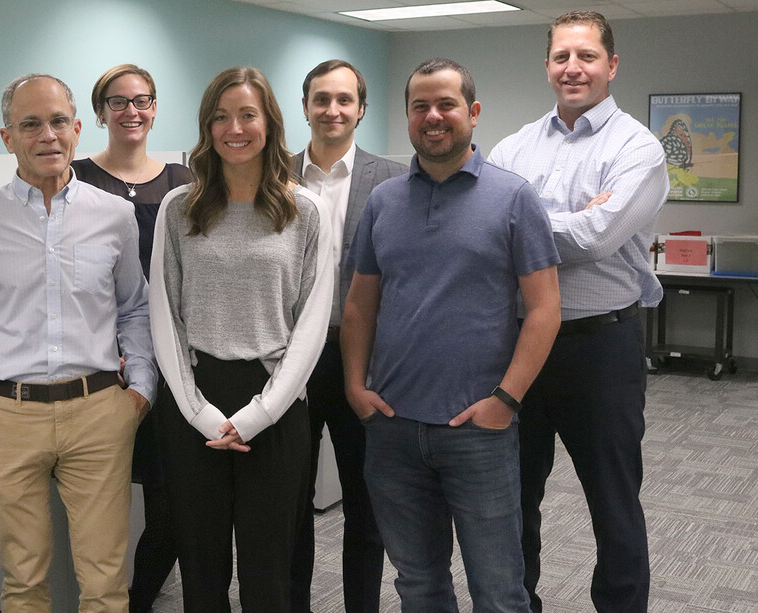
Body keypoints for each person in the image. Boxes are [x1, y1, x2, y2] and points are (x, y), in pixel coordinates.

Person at [341, 58, 561, 612]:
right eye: (420, 107)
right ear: (408, 116)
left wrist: (505, 400)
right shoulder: (384, 201)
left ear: (473, 113)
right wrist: (353, 386)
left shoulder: (513, 198)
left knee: (498, 589)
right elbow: (360, 302)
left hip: (478, 431)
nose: (433, 116)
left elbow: (544, 309)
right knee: (417, 583)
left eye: (446, 105)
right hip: (392, 428)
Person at [0, 73, 156, 612]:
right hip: (7, 417)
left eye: (58, 121)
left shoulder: (115, 216)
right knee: (23, 581)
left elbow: (135, 308)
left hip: (100, 413)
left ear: (77, 129)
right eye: (30, 124)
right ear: (8, 137)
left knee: (105, 582)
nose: (47, 135)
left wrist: (141, 391)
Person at [487, 11, 670, 613]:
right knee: (514, 498)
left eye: (587, 56)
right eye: (562, 56)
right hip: (520, 345)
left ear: (611, 66)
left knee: (613, 501)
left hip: (601, 348)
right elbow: (488, 229)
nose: (573, 68)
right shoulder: (514, 145)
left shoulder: (638, 148)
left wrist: (526, 221)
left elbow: (596, 239)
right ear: (547, 66)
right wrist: (568, 218)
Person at [149, 66, 333, 612]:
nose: (235, 128)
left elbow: (312, 323)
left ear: (269, 123)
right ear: (206, 128)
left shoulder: (305, 211)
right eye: (221, 116)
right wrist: (200, 412)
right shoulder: (178, 207)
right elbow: (165, 315)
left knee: (269, 568)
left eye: (247, 114)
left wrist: (258, 414)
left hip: (274, 400)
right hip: (195, 400)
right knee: (201, 569)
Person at [71, 63, 192, 613]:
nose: (131, 111)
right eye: (117, 102)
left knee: (170, 502)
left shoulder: (184, 183)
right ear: (100, 113)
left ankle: (135, 599)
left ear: (155, 107)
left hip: (171, 362)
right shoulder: (72, 177)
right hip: (96, 363)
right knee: (101, 501)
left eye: (141, 100)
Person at [289, 59, 407, 613]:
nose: (331, 110)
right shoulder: (272, 174)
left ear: (361, 108)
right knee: (290, 503)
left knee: (366, 503)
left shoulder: (394, 179)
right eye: (320, 99)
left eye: (343, 99)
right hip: (288, 361)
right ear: (305, 106)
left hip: (364, 358)